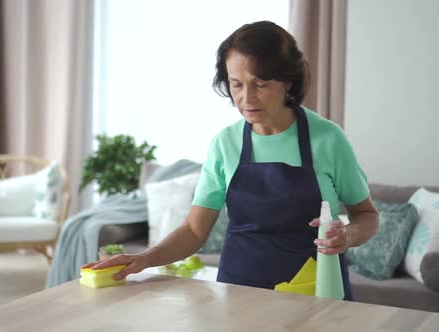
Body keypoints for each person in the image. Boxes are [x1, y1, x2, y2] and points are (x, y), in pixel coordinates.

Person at [83, 21, 379, 300]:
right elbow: (194, 231)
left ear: (288, 81)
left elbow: (367, 215)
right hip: (240, 292)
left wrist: (348, 235)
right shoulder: (225, 144)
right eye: (236, 84)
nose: (246, 98)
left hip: (315, 292)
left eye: (260, 84)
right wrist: (143, 258)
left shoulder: (328, 139)